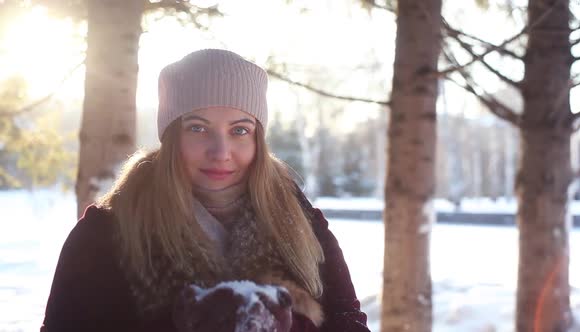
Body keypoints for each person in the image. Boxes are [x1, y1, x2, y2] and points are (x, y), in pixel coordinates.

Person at [41, 49, 370, 332]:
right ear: (171, 137)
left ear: (258, 139)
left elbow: (349, 322)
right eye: (198, 128)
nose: (220, 151)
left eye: (240, 130)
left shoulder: (301, 223)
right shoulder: (104, 234)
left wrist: (284, 324)